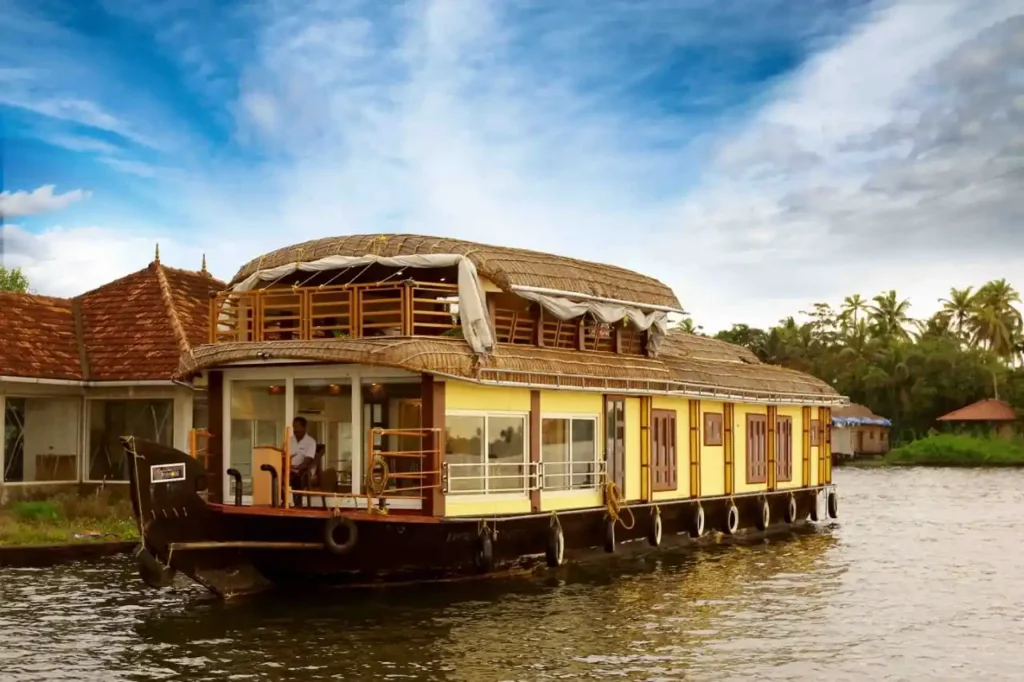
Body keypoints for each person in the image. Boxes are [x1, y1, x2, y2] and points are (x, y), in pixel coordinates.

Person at [289, 417, 317, 504]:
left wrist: (296, 470)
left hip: (303, 471)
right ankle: (281, 504)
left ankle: (298, 505)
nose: (295, 430)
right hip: (288, 469)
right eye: (294, 427)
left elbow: (307, 461)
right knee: (276, 477)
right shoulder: (289, 440)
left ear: (304, 428)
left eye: (297, 427)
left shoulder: (311, 442)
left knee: (297, 478)